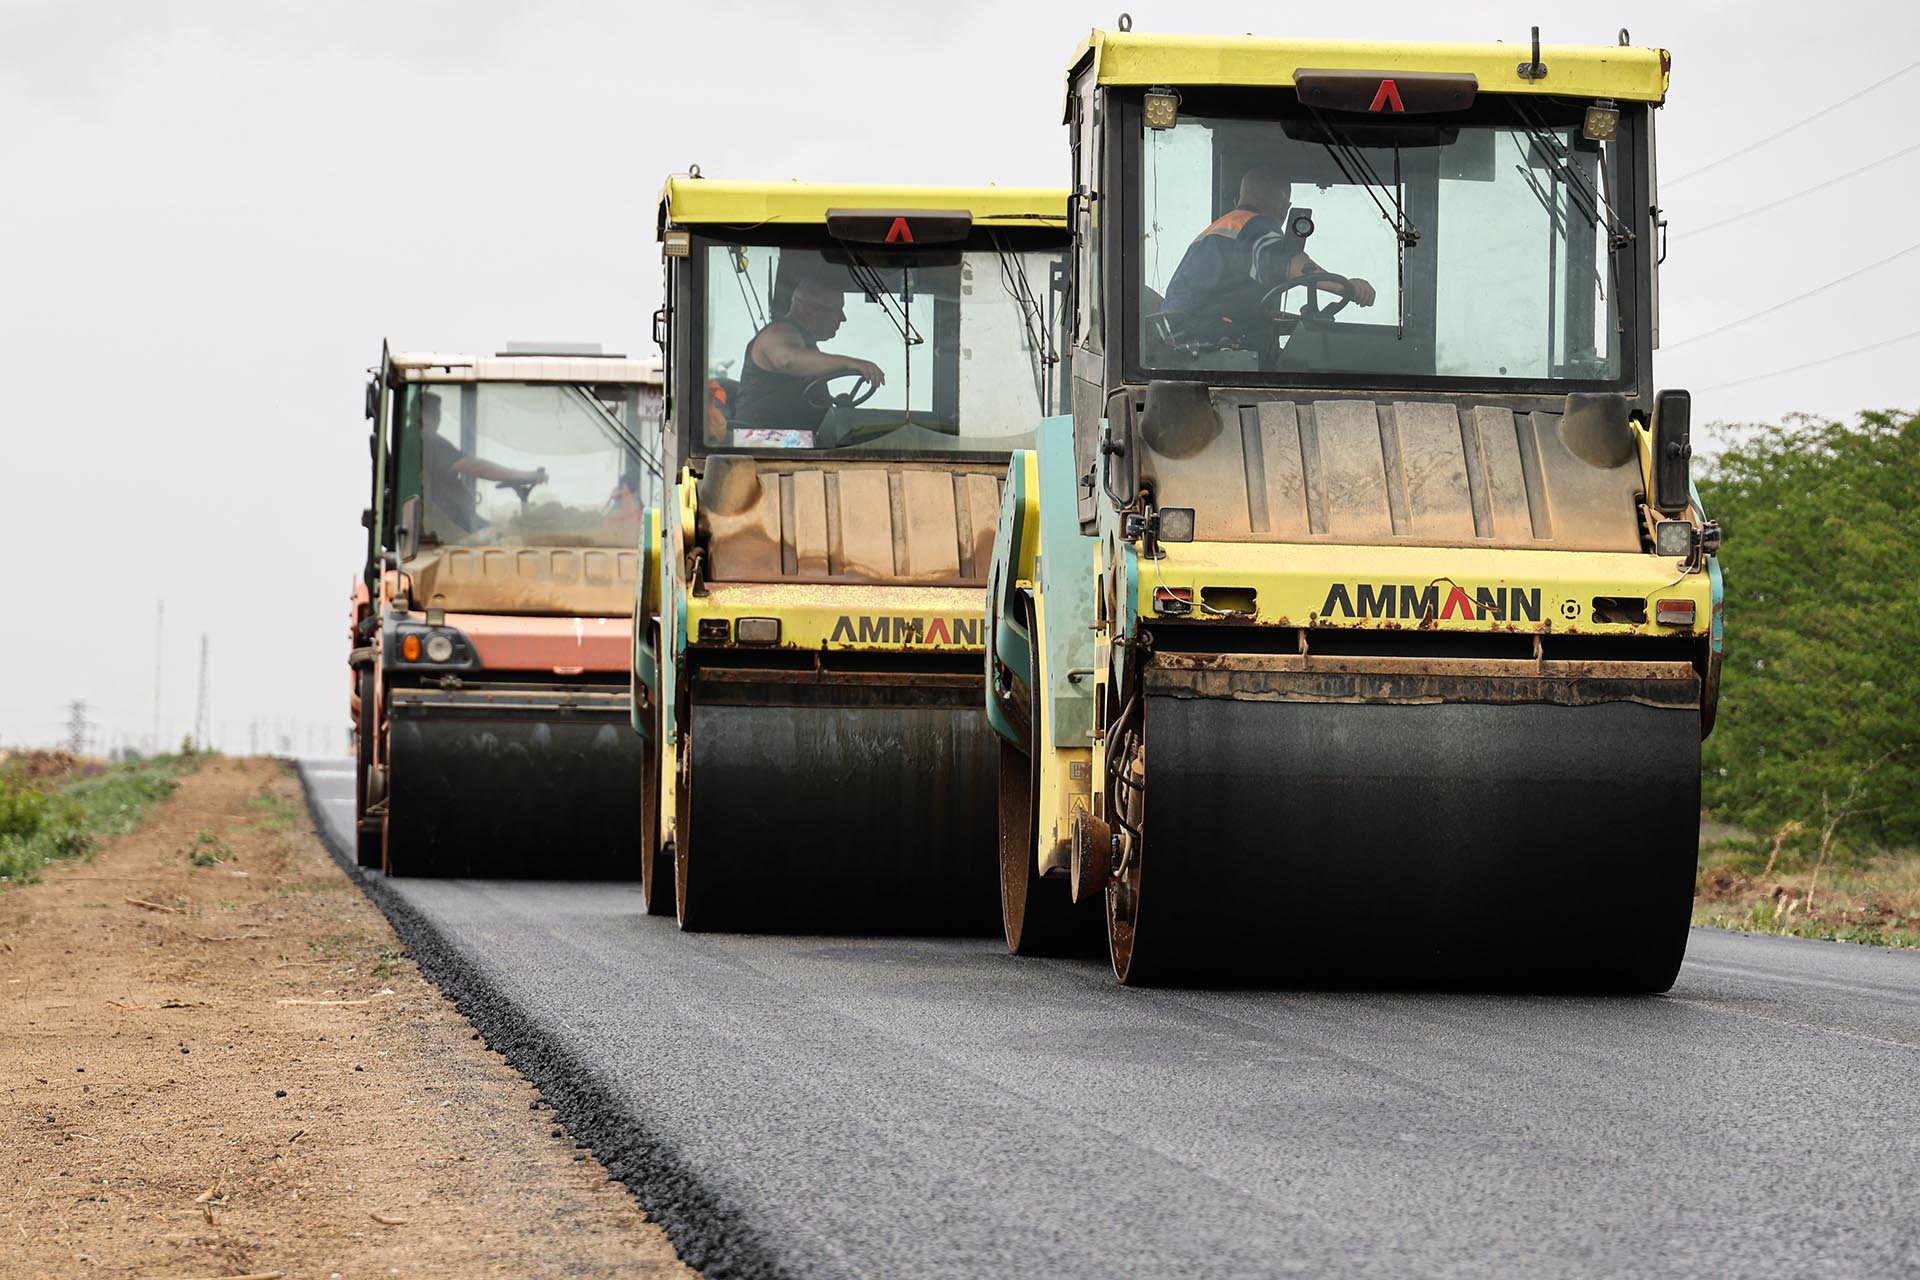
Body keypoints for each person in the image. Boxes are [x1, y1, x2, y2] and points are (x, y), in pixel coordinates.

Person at [1161, 166, 1376, 340]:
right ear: (1284, 209)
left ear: (1238, 201)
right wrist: (1346, 287)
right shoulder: (1255, 226)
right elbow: (1289, 263)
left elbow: (1231, 299)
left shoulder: (1220, 231)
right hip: (1208, 341)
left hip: (1184, 338)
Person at [729, 278, 886, 434]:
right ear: (810, 309)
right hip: (762, 444)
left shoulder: (805, 345)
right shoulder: (779, 332)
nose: (843, 318)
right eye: (837, 309)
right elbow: (787, 360)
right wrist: (850, 363)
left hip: (800, 444)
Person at [418, 391, 547, 538]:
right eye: (435, 414)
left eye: (438, 415)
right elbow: (474, 467)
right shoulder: (428, 441)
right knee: (508, 538)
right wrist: (524, 475)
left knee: (504, 532)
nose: (438, 419)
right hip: (450, 529)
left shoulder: (421, 443)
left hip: (459, 522)